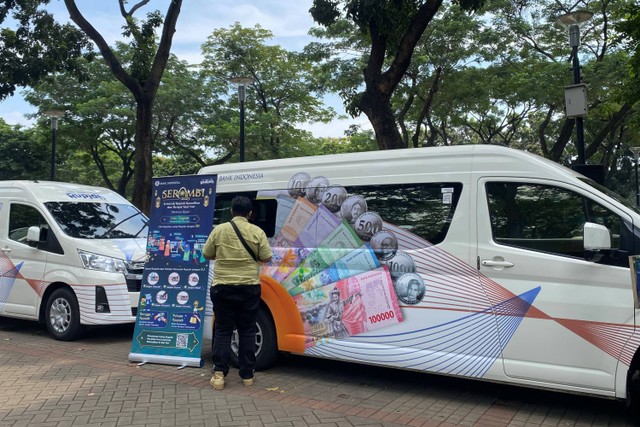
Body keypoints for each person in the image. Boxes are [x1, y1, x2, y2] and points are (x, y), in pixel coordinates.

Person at [203, 196, 273, 391]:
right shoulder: (257, 231)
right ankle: (247, 376)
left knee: (223, 330)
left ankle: (218, 375)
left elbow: (207, 254)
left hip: (222, 287)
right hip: (249, 287)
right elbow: (266, 257)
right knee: (247, 330)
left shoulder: (219, 230)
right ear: (250, 213)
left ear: (232, 211)